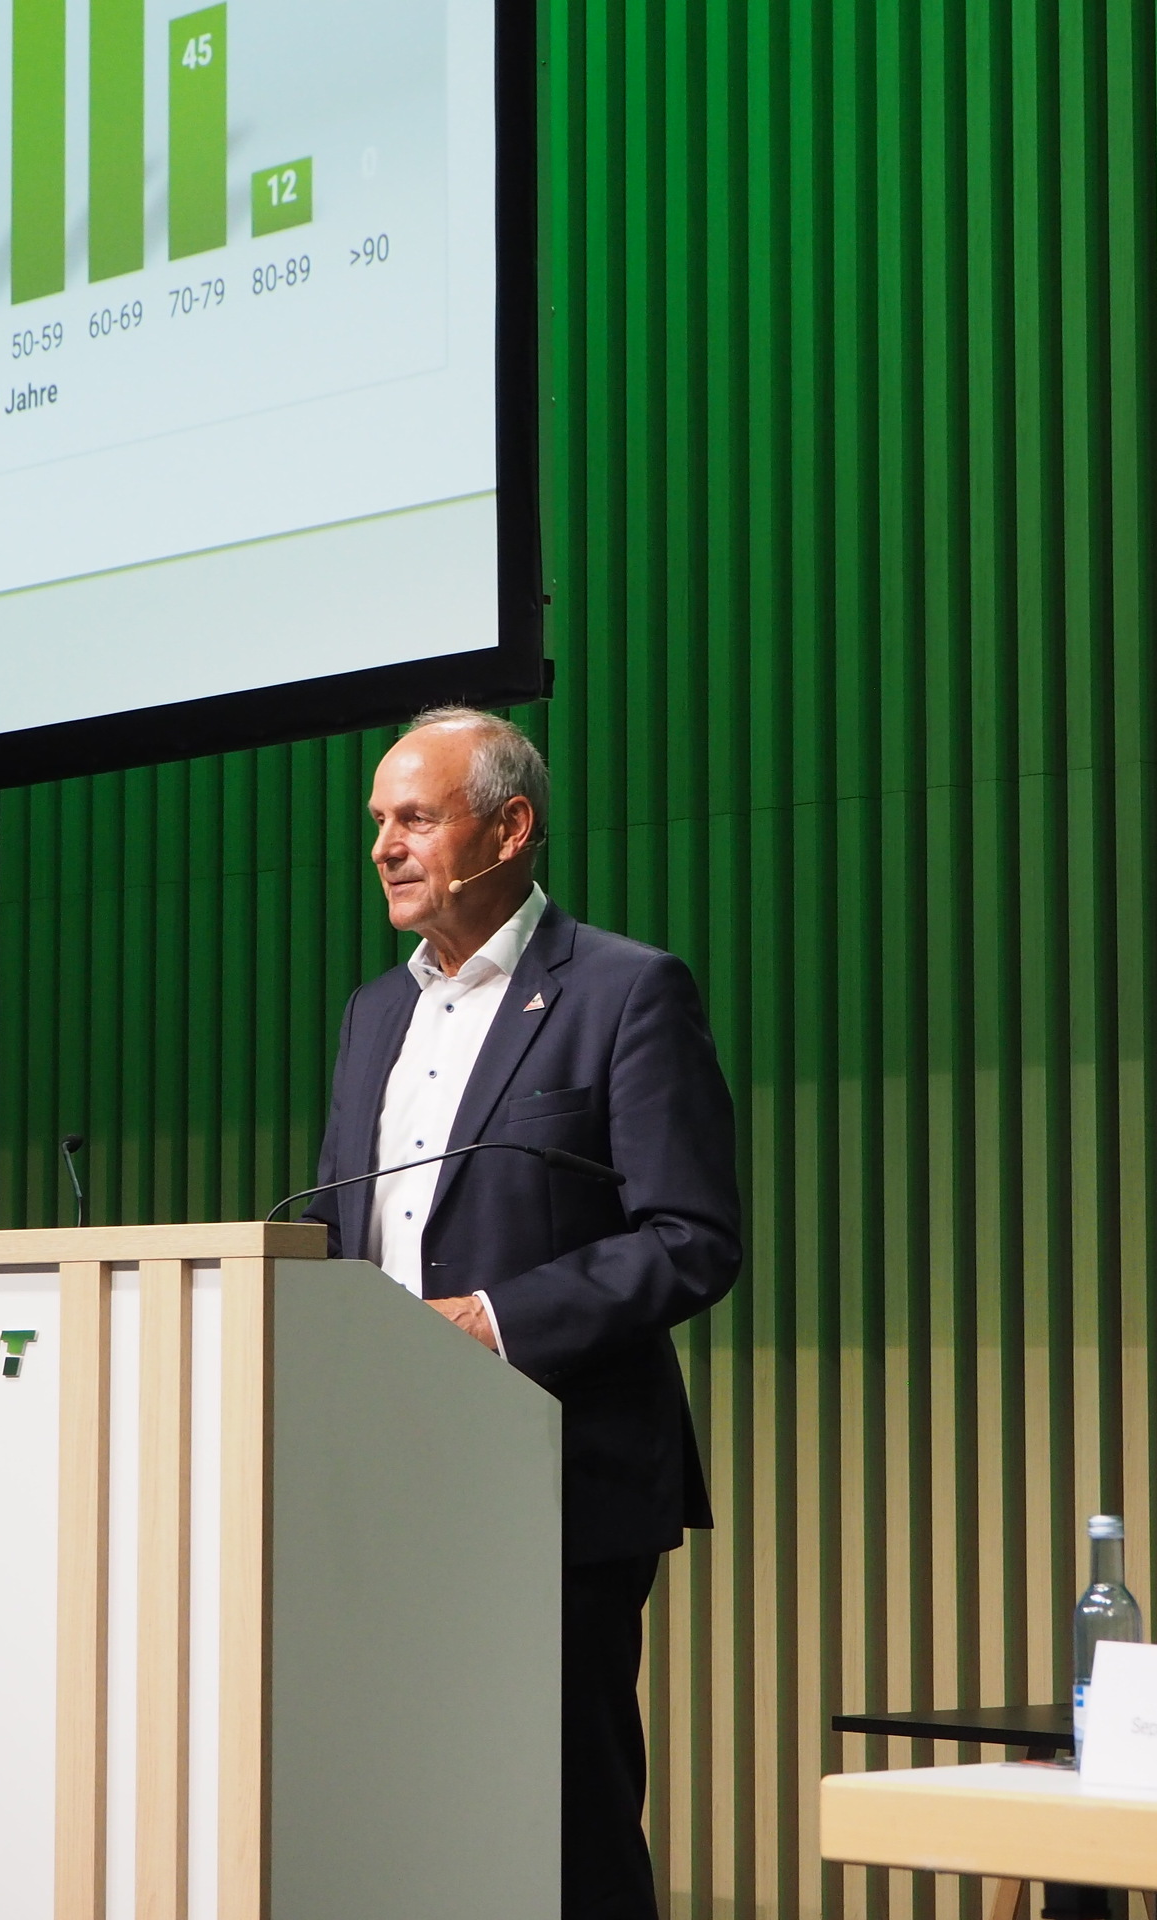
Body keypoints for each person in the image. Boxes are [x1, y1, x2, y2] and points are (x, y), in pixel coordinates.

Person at [305, 705, 742, 1920]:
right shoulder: (373, 1014)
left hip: (555, 1480)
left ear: (508, 828)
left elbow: (691, 1238)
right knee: (408, 1819)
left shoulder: (624, 990)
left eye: (415, 818)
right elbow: (346, 1229)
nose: (384, 846)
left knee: (562, 1826)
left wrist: (490, 1321)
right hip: (382, 1483)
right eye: (378, 822)